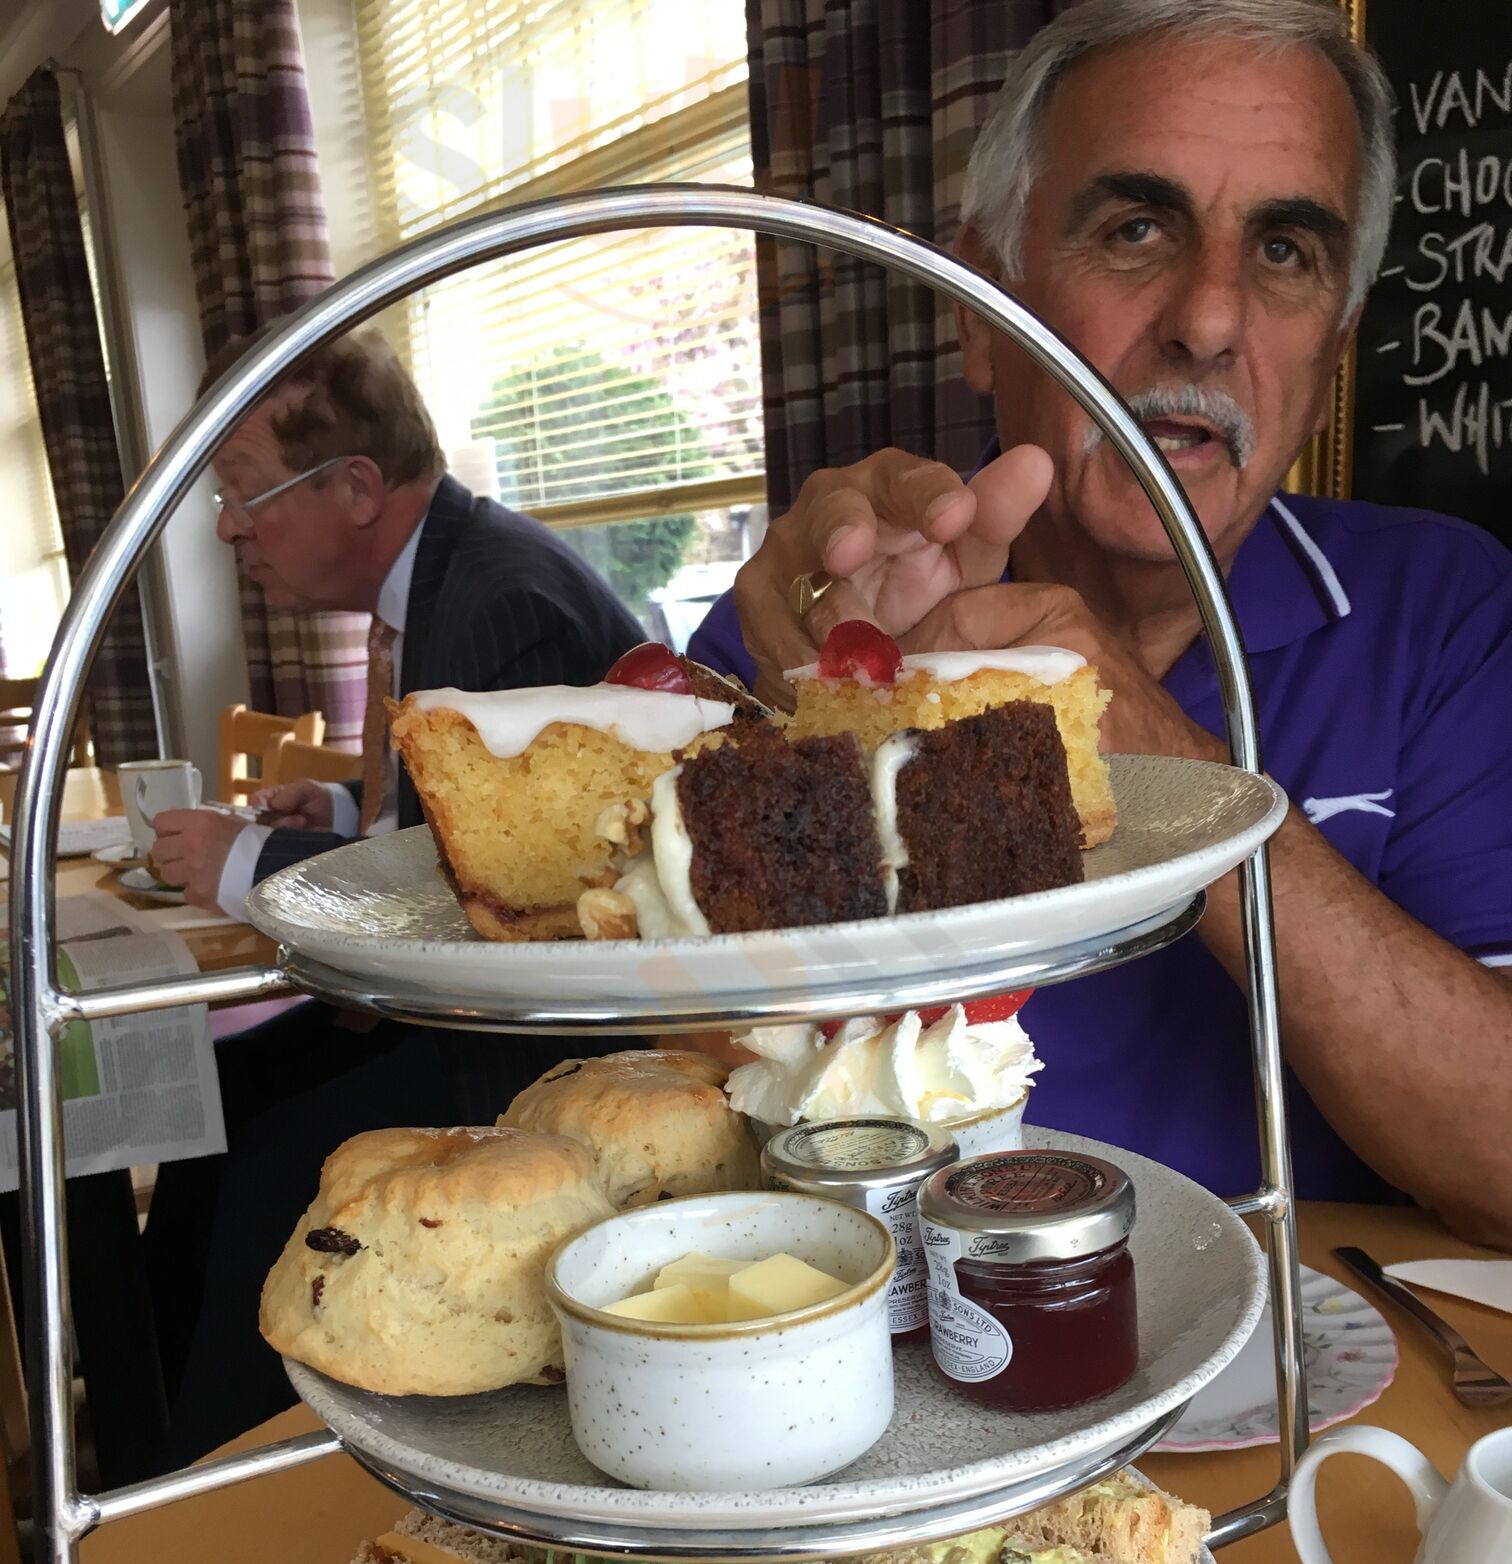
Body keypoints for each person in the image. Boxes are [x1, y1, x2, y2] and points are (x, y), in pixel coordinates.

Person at [689, 0, 1512, 1246]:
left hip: (1326, 1351)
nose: (1211, 320)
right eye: (1136, 230)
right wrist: (843, 750)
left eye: (1284, 251)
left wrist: (1160, 764)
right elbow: (681, 1159)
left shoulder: (1446, 617)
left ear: (1337, 349)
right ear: (981, 310)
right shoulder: (803, 634)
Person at [146, 328, 643, 1460]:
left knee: (273, 1170)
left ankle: (228, 1469)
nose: (228, 527)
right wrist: (337, 819)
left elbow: (511, 911)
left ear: (358, 487)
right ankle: (158, 1432)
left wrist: (245, 866)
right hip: (476, 1005)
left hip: (542, 1045)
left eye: (242, 492)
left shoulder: (500, 604)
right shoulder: (446, 584)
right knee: (208, 1100)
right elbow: (468, 841)